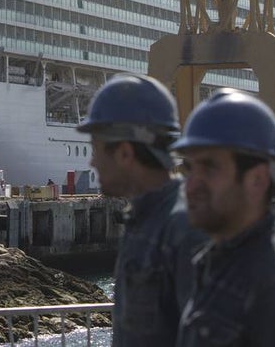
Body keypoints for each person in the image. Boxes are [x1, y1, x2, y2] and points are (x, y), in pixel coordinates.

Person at [171, 89, 275, 347]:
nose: (190, 186)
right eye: (189, 168)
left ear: (257, 180)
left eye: (209, 168)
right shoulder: (217, 262)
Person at [77, 74, 205, 347]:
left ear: (124, 153)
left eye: (96, 149)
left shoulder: (184, 229)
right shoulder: (147, 220)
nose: (92, 161)